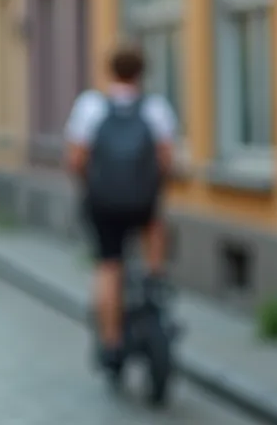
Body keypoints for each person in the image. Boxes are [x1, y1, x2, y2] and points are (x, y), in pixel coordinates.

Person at [63, 47, 177, 373]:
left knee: (109, 266)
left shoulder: (91, 107)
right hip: (142, 202)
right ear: (142, 73)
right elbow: (167, 160)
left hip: (104, 204)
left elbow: (76, 160)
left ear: (110, 71)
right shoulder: (156, 108)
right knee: (154, 223)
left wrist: (93, 183)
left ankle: (111, 343)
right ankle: (155, 280)